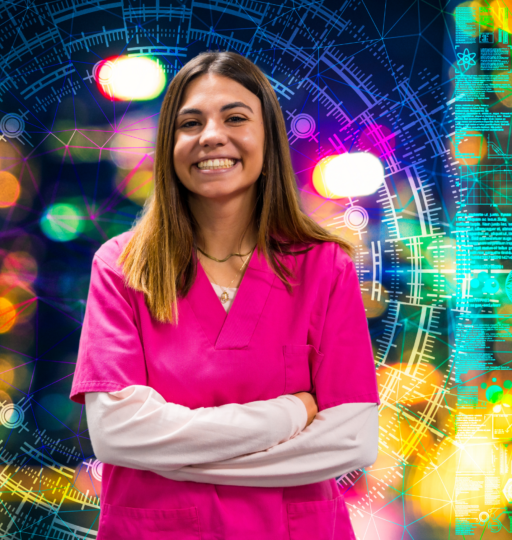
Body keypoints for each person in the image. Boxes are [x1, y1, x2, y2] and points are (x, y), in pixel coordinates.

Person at [69, 51, 381, 540]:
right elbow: (117, 434)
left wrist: (173, 457)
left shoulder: (325, 267)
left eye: (235, 118)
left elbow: (351, 442)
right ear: (169, 146)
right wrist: (292, 411)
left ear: (268, 140)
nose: (211, 135)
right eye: (189, 123)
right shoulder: (121, 266)